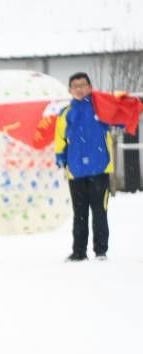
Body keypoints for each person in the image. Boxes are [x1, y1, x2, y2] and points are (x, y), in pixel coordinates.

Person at [54, 72, 113, 262]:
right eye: (75, 86)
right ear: (70, 90)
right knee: (79, 214)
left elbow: (119, 117)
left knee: (99, 211)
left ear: (89, 87)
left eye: (83, 85)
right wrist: (61, 157)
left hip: (100, 168)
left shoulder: (102, 107)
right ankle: (79, 252)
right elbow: (60, 139)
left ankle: (101, 251)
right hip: (76, 170)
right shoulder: (65, 113)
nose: (79, 89)